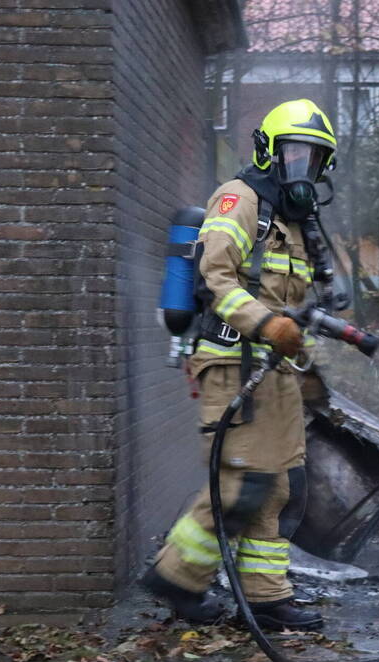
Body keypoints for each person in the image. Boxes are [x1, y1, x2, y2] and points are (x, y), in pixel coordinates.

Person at [140, 99, 338, 630]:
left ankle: (268, 599)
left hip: (273, 373)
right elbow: (215, 279)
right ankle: (176, 577)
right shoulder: (239, 199)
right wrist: (266, 324)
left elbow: (293, 311)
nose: (305, 168)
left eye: (315, 160)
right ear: (270, 151)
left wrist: (308, 364)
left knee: (276, 485)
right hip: (231, 366)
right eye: (296, 154)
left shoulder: (295, 224)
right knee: (240, 484)